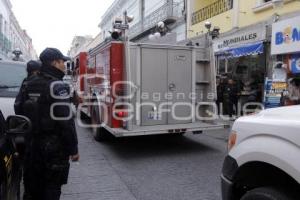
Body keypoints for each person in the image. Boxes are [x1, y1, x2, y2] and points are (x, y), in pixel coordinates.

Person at [15, 48, 79, 200]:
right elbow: (65, 121)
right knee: (51, 187)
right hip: (53, 149)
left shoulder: (28, 83)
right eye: (62, 61)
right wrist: (73, 149)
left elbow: (18, 108)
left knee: (32, 187)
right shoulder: (57, 85)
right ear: (55, 62)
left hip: (31, 144)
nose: (64, 65)